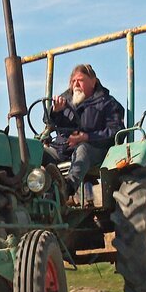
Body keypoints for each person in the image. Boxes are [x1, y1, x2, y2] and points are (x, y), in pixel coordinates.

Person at [43, 63, 125, 198]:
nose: (76, 84)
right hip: (62, 149)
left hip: (95, 150)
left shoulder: (108, 103)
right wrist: (55, 111)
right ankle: (31, 188)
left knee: (82, 150)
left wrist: (87, 137)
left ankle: (67, 188)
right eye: (73, 81)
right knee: (37, 150)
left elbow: (116, 131)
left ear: (93, 82)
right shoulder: (64, 100)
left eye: (80, 80)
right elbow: (48, 122)